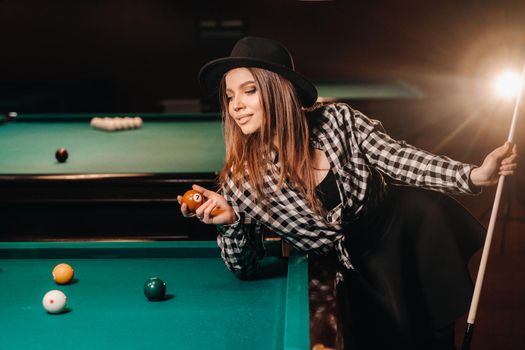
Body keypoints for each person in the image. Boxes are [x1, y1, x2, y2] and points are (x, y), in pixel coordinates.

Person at [178, 37, 518, 349]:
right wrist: (231, 221)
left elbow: (399, 158)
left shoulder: (338, 120)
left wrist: (473, 174)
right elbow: (244, 266)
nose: (236, 105)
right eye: (229, 96)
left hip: (405, 235)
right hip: (351, 270)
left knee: (434, 339)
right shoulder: (244, 180)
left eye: (248, 90)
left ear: (279, 91)